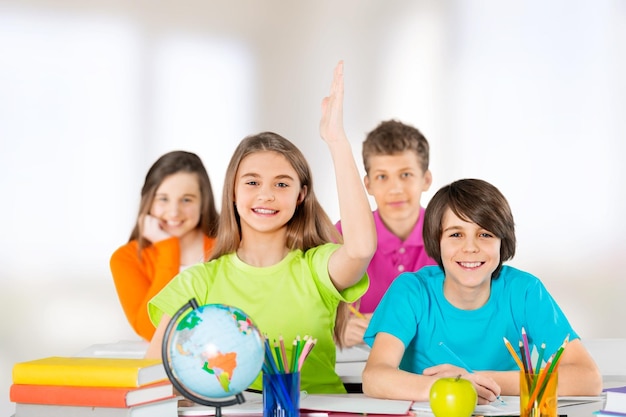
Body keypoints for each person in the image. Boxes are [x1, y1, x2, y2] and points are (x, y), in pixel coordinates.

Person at [145, 61, 377, 394]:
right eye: (252, 182)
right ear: (233, 192)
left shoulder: (316, 269)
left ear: (301, 195)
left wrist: (337, 141)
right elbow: (151, 383)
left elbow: (361, 248)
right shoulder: (197, 283)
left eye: (282, 184)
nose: (266, 194)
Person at [362, 178, 602, 402]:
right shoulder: (411, 290)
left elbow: (588, 378)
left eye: (484, 234)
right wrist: (449, 388)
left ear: (502, 241)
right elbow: (374, 377)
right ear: (437, 241)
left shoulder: (525, 291)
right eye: (456, 234)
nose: (470, 248)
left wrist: (478, 381)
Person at [335, 120, 436, 347]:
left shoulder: (450, 236)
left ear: (426, 179)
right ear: (368, 184)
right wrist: (337, 327)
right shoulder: (343, 235)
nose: (395, 189)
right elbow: (314, 309)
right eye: (382, 177)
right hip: (355, 367)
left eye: (406, 175)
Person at [110, 151, 219, 341]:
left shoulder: (228, 248)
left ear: (203, 202)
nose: (174, 212)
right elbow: (151, 331)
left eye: (186, 200)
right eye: (163, 199)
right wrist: (168, 249)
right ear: (148, 200)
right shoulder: (126, 258)